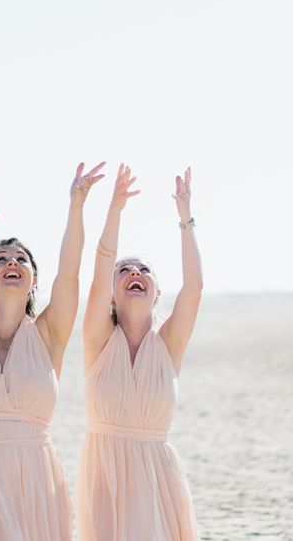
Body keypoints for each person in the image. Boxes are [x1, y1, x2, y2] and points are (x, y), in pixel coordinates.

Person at [0, 162, 105, 541]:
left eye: (21, 260)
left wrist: (76, 207)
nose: (12, 262)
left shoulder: (49, 334)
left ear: (33, 279)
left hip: (33, 482)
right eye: (1, 259)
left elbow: (70, 274)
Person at [76, 165, 202, 540]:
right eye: (124, 270)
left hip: (158, 477)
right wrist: (114, 210)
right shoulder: (98, 339)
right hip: (105, 476)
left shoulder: (169, 344)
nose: (135, 272)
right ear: (112, 293)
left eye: (144, 269)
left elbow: (194, 288)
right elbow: (97, 275)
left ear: (156, 291)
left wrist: (185, 219)